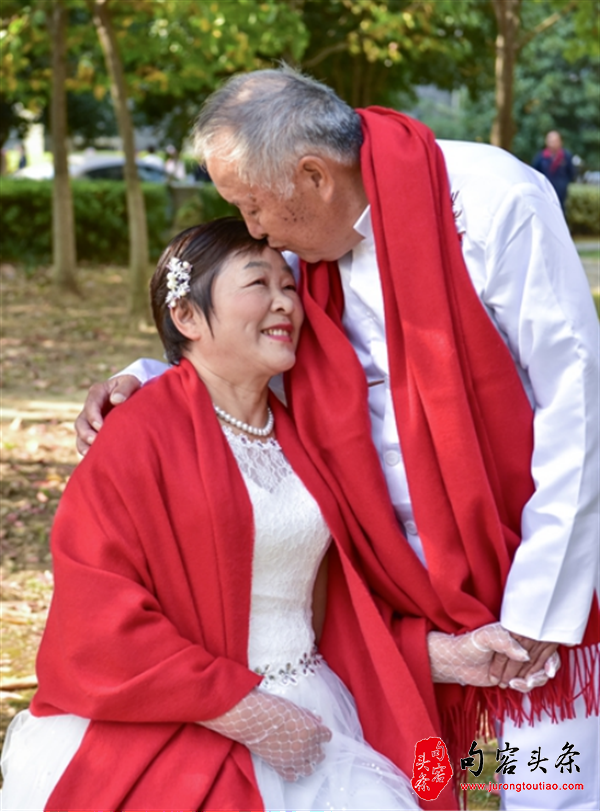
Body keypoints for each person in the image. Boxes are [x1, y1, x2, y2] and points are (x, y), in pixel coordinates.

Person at [75, 67, 599, 811]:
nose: (255, 230)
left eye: (253, 206)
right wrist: (141, 380)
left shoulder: (491, 201)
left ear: (314, 176)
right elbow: (240, 345)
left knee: (542, 788)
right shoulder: (304, 253)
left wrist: (541, 607)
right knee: (425, 786)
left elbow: (577, 403)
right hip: (390, 593)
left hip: (518, 571)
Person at [2, 218, 527, 810]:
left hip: (315, 701)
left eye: (288, 286)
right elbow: (95, 617)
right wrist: (240, 710)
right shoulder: (136, 435)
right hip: (193, 715)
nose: (285, 304)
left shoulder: (301, 432)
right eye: (258, 284)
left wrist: (439, 656)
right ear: (187, 316)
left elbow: (333, 602)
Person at [533, 130, 576, 214]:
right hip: (544, 193)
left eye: (555, 140)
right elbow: (534, 173)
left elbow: (572, 174)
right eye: (550, 140)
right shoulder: (541, 157)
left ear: (560, 142)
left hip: (561, 195)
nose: (552, 143)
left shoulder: (566, 156)